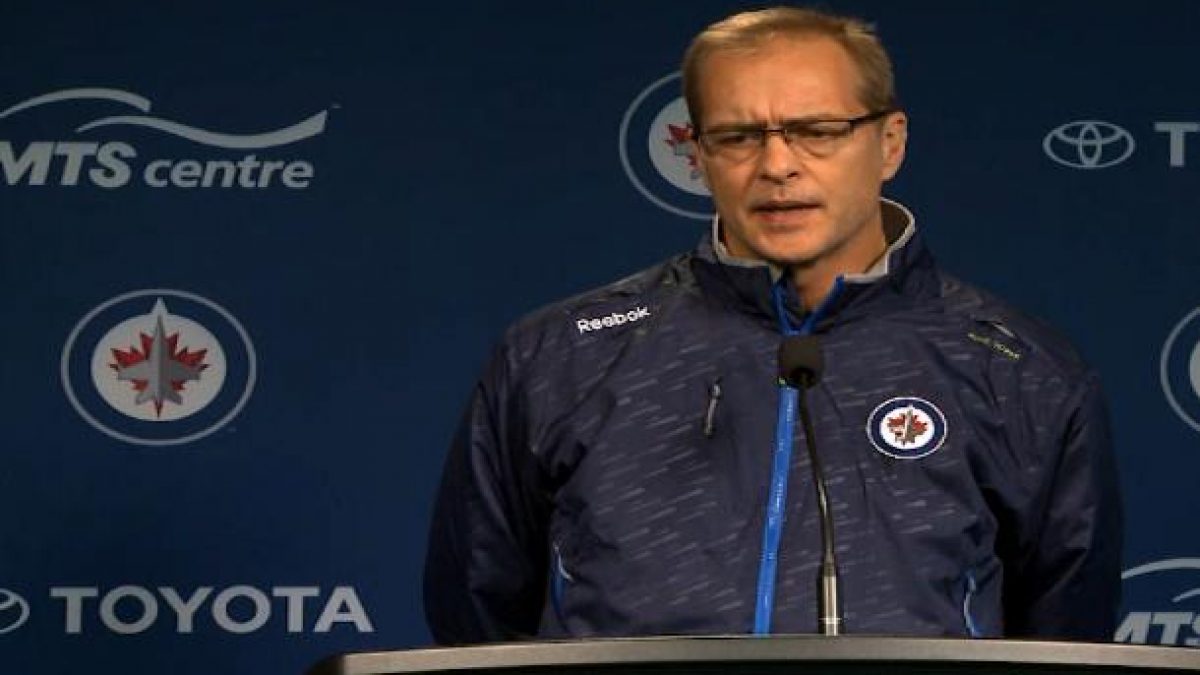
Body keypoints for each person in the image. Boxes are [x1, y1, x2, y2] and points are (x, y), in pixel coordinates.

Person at [424, 6, 1122, 644]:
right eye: (738, 137)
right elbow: (477, 622)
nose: (778, 165)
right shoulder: (560, 354)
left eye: (818, 131)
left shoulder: (1022, 371)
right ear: (698, 156)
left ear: (889, 143)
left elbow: (1061, 641)